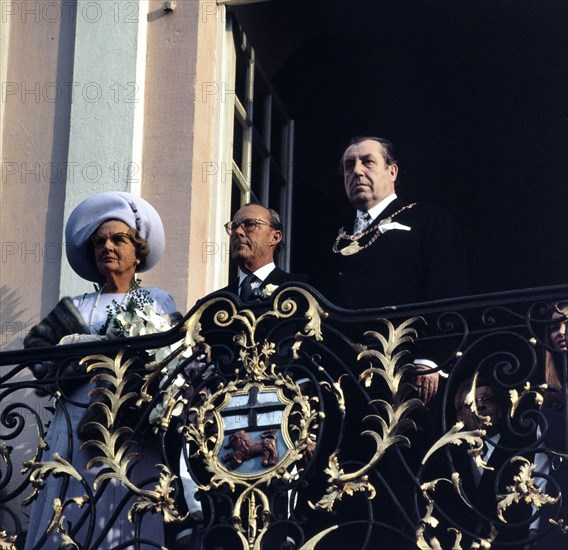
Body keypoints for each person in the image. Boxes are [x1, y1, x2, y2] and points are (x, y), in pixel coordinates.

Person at [23, 191, 176, 549]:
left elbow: (174, 357)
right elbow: (38, 353)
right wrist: (88, 352)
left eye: (118, 239)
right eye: (99, 241)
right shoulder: (77, 306)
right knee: (73, 507)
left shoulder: (156, 301)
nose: (108, 246)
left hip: (133, 424)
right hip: (76, 423)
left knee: (127, 505)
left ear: (137, 251)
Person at [318, 136, 469, 403]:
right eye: (349, 165)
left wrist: (430, 358)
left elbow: (447, 290)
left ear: (392, 171)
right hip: (345, 379)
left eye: (368, 162)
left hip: (408, 370)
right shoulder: (334, 239)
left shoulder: (426, 219)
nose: (357, 171)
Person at [433, 378, 540, 548]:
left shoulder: (521, 451)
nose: (480, 406)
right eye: (471, 403)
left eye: (487, 400)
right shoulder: (447, 459)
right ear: (460, 416)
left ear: (498, 411)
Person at [221, 203, 308, 300]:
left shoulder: (303, 289)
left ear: (275, 237)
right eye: (234, 226)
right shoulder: (214, 302)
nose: (238, 232)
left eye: (250, 224)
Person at [535, 301, 568, 549]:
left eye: (567, 324)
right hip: (558, 498)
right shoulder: (549, 399)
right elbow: (541, 465)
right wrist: (532, 528)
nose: (561, 333)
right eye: (555, 327)